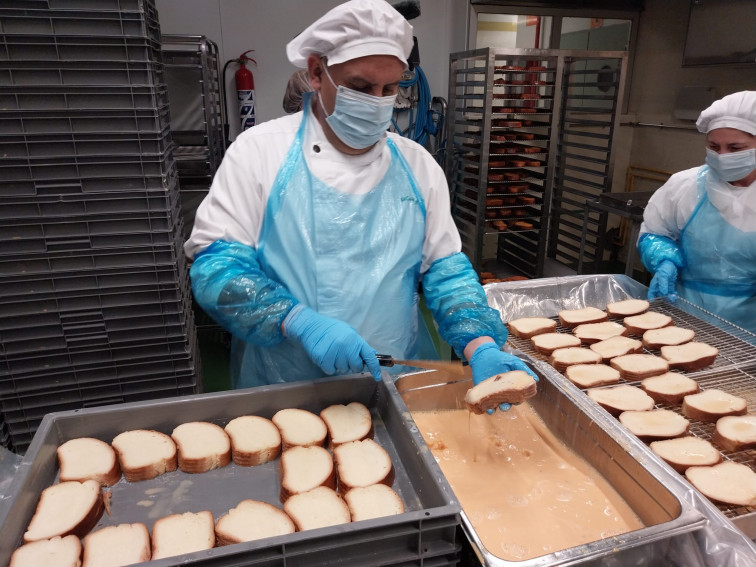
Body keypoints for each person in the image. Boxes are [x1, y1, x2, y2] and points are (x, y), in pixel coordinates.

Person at [184, 0, 537, 405]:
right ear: (317, 72)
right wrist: (296, 321)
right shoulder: (259, 154)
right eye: (361, 87)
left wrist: (480, 344)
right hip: (287, 387)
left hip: (395, 377)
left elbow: (444, 271)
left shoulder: (418, 166)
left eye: (390, 89)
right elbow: (216, 271)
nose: (377, 102)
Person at [638, 90, 756, 333]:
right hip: (681, 313)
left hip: (748, 328)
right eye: (714, 146)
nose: (722, 156)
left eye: (735, 148)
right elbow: (654, 233)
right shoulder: (686, 186)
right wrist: (663, 260)